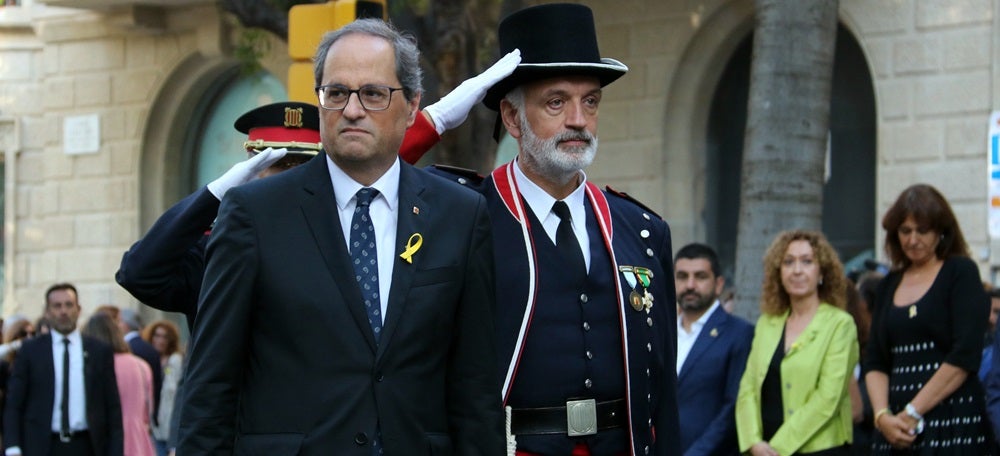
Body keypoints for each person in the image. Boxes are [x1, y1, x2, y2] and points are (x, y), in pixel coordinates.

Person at [177, 18, 503, 455]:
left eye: (372, 93)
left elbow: (474, 389)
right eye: (336, 93)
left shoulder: (460, 215)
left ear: (412, 106)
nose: (352, 109)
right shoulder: (254, 215)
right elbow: (211, 386)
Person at [428, 4, 680, 455]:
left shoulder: (641, 230)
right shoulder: (466, 216)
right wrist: (434, 122)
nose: (578, 120)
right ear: (511, 118)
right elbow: (362, 177)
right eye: (556, 102)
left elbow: (662, 393)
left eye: (590, 101)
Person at [114, 53, 520, 330]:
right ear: (248, 171)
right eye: (274, 165)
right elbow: (140, 272)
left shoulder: (339, 238)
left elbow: (375, 171)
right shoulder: (218, 247)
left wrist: (437, 117)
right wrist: (217, 194)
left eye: (301, 166)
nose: (287, 178)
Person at [866, 183, 993, 454]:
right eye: (905, 231)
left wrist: (914, 411)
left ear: (941, 233)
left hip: (952, 420)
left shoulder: (960, 272)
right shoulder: (888, 284)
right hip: (894, 428)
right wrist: (882, 416)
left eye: (922, 230)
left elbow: (964, 354)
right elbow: (875, 359)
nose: (913, 240)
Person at [736, 230, 858, 456]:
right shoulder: (767, 323)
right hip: (763, 448)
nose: (797, 270)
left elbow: (829, 398)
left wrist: (776, 448)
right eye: (788, 262)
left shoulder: (840, 324)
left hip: (820, 449)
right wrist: (753, 442)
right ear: (778, 273)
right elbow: (748, 389)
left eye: (807, 261)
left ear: (822, 271)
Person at [3, 283, 123, 456]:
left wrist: (116, 449)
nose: (63, 311)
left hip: (87, 445)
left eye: (69, 305)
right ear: (47, 311)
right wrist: (13, 446)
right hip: (42, 445)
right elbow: (15, 403)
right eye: (57, 306)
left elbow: (112, 406)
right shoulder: (31, 351)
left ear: (79, 309)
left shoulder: (99, 351)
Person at [673, 243, 753, 455]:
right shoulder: (661, 332)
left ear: (718, 284)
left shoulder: (740, 333)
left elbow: (734, 406)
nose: (690, 285)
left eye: (700, 277)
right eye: (682, 276)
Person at [82, 312, 155, 456]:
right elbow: (148, 411)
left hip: (105, 441)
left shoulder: (94, 366)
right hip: (139, 440)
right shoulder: (142, 365)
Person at [141, 320, 183, 456]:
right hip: (153, 425)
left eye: (165, 337)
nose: (160, 340)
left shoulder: (175, 360)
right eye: (157, 336)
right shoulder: (149, 359)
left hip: (170, 425)